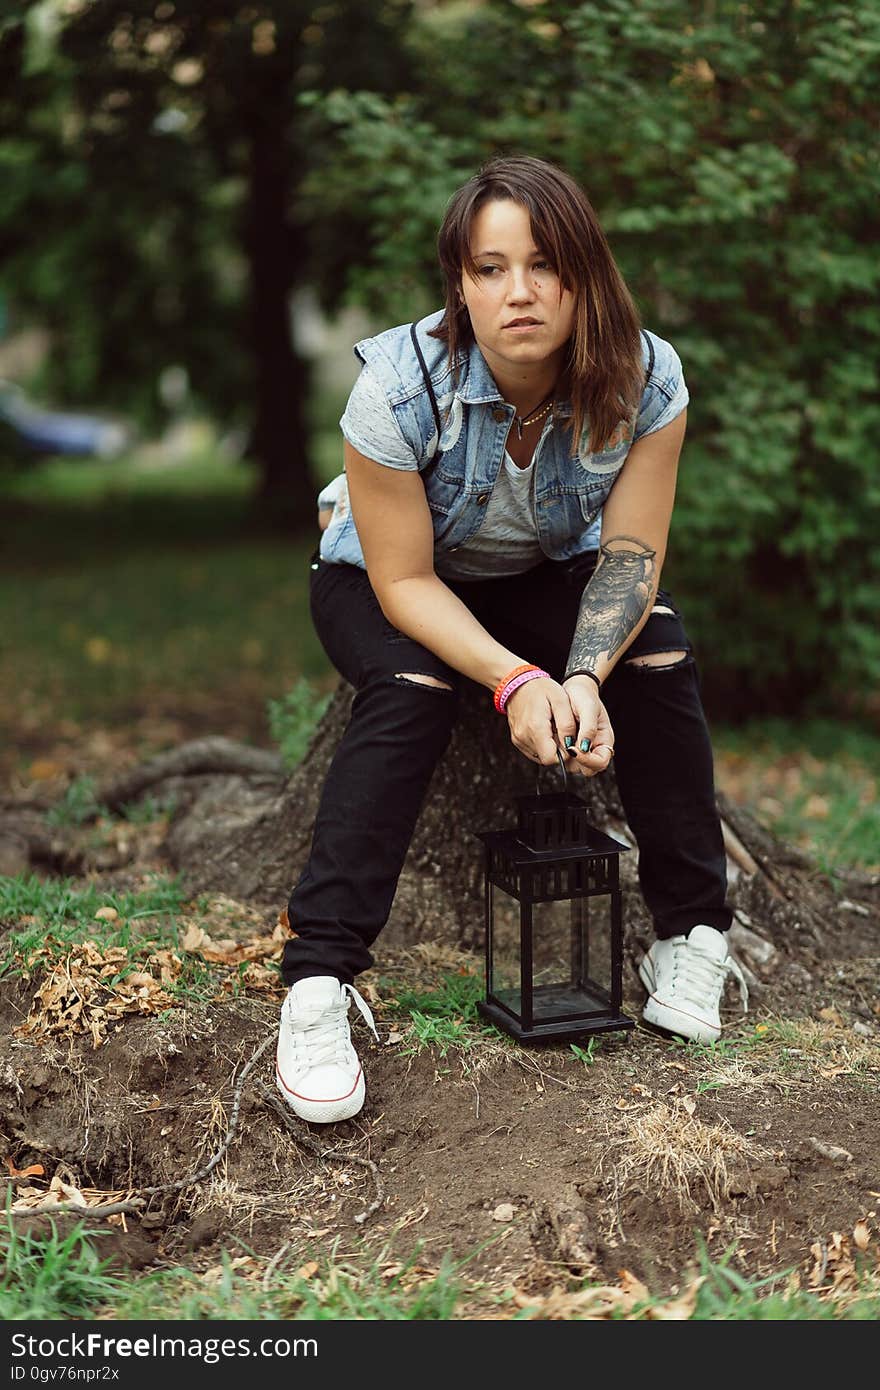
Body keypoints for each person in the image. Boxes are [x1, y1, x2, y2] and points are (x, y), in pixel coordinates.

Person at [275, 155, 747, 1125]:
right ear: (460, 283)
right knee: (409, 687)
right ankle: (318, 979)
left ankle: (691, 930)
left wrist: (581, 674)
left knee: (655, 649)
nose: (518, 291)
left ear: (585, 271)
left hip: (538, 573)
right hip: (384, 577)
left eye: (543, 264)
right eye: (489, 269)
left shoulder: (647, 378)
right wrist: (514, 681)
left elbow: (628, 550)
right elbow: (405, 579)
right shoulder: (398, 389)